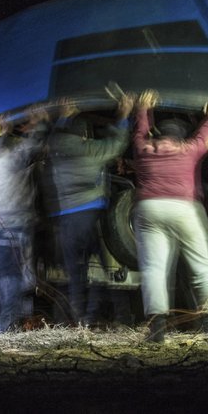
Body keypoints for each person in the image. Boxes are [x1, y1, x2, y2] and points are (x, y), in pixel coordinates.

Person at [131, 89, 208, 342]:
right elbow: (207, 134)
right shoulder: (190, 149)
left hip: (148, 208)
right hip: (184, 209)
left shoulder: (142, 148)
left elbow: (140, 131)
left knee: (154, 269)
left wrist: (144, 110)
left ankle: (157, 329)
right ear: (182, 135)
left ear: (159, 133)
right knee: (201, 266)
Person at [41, 94, 134, 326]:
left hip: (63, 219)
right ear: (84, 134)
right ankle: (121, 317)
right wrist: (123, 116)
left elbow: (52, 137)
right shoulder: (89, 149)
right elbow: (116, 145)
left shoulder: (55, 147)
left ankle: (80, 319)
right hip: (91, 216)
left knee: (76, 273)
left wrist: (62, 118)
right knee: (106, 269)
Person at [0, 115, 43, 334]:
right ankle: (6, 328)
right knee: (10, 277)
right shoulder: (10, 155)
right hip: (10, 225)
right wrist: (40, 122)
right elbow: (34, 146)